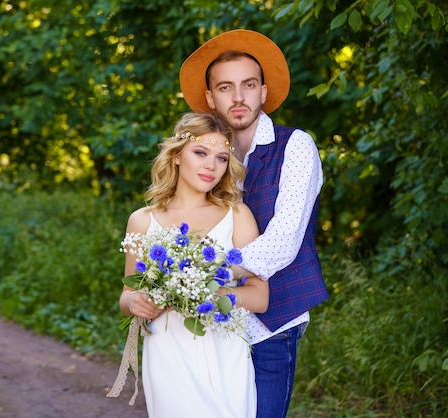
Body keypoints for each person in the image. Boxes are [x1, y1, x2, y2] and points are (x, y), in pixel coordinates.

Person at [179, 29, 330, 418]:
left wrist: (204, 276)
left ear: (263, 92)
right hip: (209, 321)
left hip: (273, 321)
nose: (239, 96)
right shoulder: (205, 156)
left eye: (248, 85)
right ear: (211, 98)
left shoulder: (295, 146)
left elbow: (283, 239)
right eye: (225, 87)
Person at [110, 112, 269, 417]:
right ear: (178, 155)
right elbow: (126, 294)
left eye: (222, 158)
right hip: (168, 352)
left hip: (226, 351)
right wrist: (136, 302)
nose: (211, 165)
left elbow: (260, 298)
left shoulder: (237, 215)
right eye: (200, 153)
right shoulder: (142, 221)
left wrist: (212, 295)